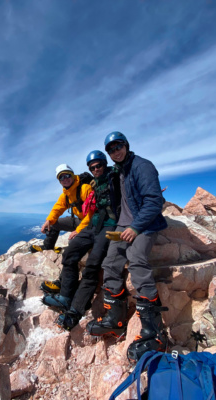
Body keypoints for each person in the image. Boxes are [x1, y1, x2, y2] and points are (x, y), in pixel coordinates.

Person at [86, 131, 168, 362]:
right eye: (111, 149)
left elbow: (154, 202)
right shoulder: (118, 171)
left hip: (145, 224)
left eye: (118, 146)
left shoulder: (142, 166)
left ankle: (154, 332)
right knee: (110, 263)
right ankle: (116, 319)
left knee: (137, 259)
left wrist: (136, 227)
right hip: (123, 225)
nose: (115, 151)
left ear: (126, 145)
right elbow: (97, 177)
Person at [42, 150, 121, 331]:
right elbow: (59, 207)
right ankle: (65, 296)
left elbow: (128, 189)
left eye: (99, 165)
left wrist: (78, 229)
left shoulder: (104, 180)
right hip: (93, 226)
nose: (96, 169)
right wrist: (50, 220)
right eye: (92, 167)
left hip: (106, 226)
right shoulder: (86, 185)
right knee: (69, 253)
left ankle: (76, 310)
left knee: (92, 265)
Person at [30, 164, 92, 257]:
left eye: (67, 175)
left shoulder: (85, 189)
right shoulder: (66, 194)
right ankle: (48, 247)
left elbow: (92, 213)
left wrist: (79, 230)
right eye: (61, 178)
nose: (65, 179)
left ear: (72, 175)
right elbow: (57, 208)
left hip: (91, 223)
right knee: (54, 224)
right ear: (59, 181)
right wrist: (49, 220)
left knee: (73, 241)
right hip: (80, 220)